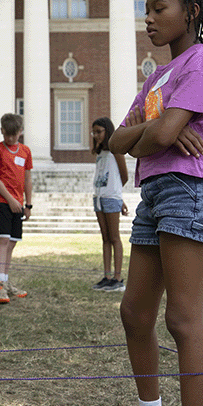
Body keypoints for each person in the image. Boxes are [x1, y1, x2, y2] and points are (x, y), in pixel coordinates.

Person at [100, 0, 203, 406]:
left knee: (182, 317)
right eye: (145, 9)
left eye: (158, 8)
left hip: (190, 190)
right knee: (134, 312)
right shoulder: (159, 75)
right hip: (156, 193)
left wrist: (151, 135)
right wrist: (148, 135)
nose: (148, 18)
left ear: (191, 10)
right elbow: (119, 140)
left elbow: (158, 135)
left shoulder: (202, 63)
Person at [0, 113, 33, 304]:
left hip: (19, 203)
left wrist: (27, 204)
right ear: (2, 132)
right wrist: (10, 200)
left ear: (20, 132)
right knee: (3, 239)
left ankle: (5, 281)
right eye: (7, 135)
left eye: (14, 135)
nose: (10, 139)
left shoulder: (25, 151)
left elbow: (28, 179)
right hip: (2, 201)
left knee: (13, 241)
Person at [89, 117, 129, 292]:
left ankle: (118, 278)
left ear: (107, 131)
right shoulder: (100, 153)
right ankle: (106, 276)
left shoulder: (116, 151)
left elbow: (123, 176)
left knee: (114, 237)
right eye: (94, 132)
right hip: (98, 197)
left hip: (111, 198)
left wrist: (117, 196)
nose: (96, 135)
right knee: (105, 238)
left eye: (99, 132)